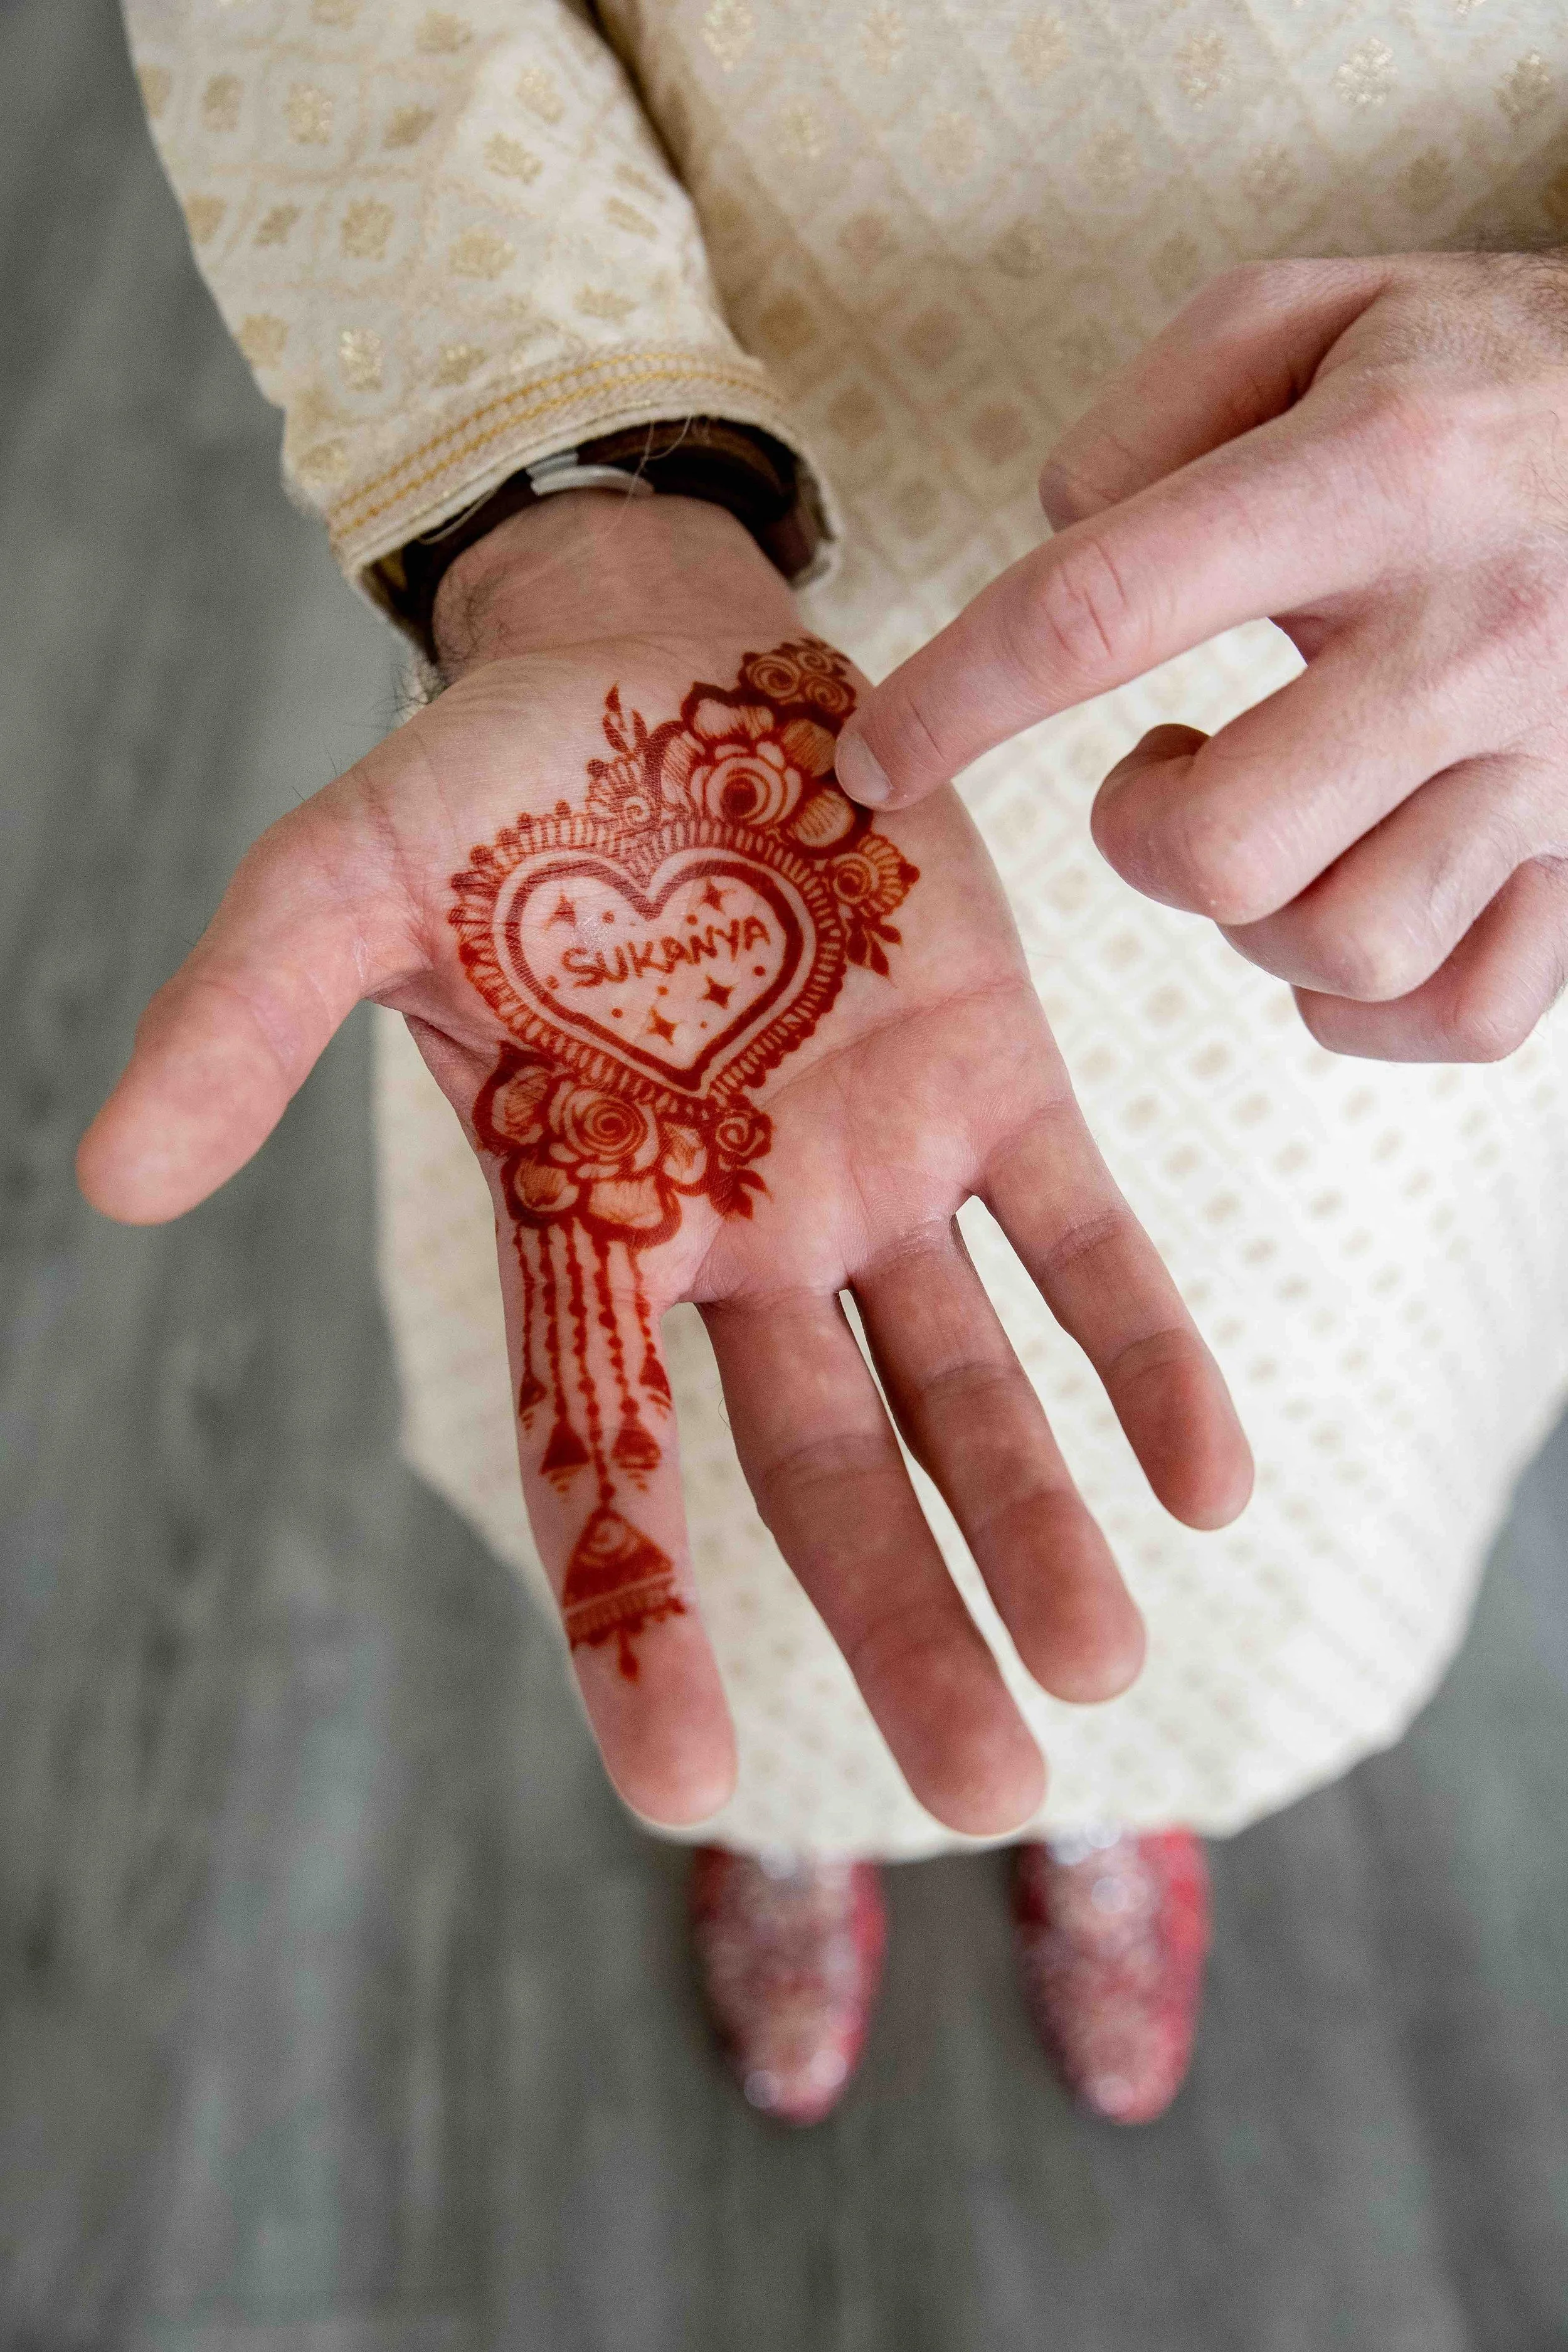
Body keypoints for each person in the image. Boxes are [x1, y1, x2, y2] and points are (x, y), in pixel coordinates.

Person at [85, 0, 1568, 2127]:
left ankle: (1099, 1806)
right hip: (713, 491)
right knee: (725, 1433)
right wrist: (564, 507)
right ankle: (793, 1819)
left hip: (1447, 717)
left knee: (1221, 1454)